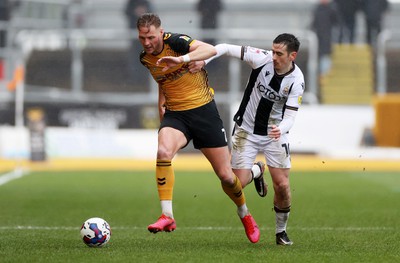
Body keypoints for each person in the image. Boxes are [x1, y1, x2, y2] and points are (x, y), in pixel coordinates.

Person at [158, 33, 305, 246]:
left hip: (275, 134)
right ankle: (256, 170)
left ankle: (280, 232)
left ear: (293, 55)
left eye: (279, 53)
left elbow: (290, 117)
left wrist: (279, 129)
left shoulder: (297, 81)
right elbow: (225, 47)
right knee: (233, 183)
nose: (273, 56)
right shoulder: (261, 58)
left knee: (282, 185)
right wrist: (203, 60)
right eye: (273, 51)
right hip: (246, 130)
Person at [137, 13, 261, 243]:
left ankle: (244, 213)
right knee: (163, 152)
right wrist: (160, 104)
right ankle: (167, 215)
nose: (147, 42)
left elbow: (211, 50)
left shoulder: (175, 42)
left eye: (151, 37)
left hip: (204, 112)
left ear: (160, 32)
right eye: (142, 38)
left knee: (226, 176)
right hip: (176, 115)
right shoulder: (145, 58)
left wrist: (183, 59)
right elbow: (162, 79)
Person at [124, 0, 153, 88]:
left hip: (145, 37)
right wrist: (135, 12)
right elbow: (126, 12)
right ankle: (135, 79)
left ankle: (144, 80)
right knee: (135, 57)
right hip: (135, 35)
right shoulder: (131, 3)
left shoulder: (145, 2)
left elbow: (152, 15)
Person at [311, 0, 339, 76]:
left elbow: (335, 21)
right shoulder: (318, 9)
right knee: (320, 55)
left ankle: (325, 74)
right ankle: (322, 74)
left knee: (325, 55)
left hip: (326, 36)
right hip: (320, 36)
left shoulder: (330, 9)